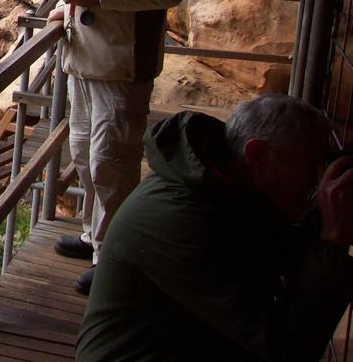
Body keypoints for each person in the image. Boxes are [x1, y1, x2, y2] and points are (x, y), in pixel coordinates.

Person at [77, 94, 353, 361]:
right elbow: (286, 348)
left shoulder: (222, 185)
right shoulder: (183, 218)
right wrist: (334, 237)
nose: (317, 181)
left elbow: (287, 253)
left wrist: (326, 217)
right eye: (310, 167)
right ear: (256, 154)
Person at [47, 0, 185, 294]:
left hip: (122, 66)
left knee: (114, 162)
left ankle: (114, 262)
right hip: (85, 58)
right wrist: (65, 8)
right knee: (86, 156)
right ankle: (94, 237)